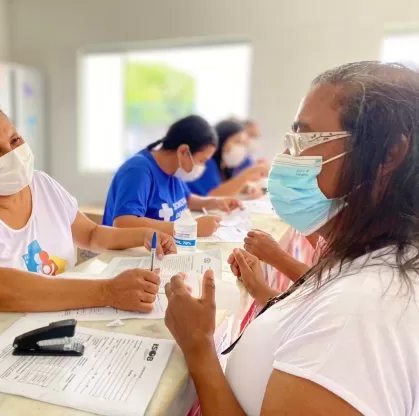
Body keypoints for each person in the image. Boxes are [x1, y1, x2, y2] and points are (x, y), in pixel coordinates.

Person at [165, 62, 419, 415]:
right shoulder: (375, 258)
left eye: (305, 140)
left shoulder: (361, 313)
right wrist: (268, 295)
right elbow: (308, 329)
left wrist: (198, 347)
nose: (286, 158)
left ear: (389, 154)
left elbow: (333, 334)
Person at [0, 101, 177, 329]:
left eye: (14, 140)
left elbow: (90, 234)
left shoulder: (42, 184)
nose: (12, 155)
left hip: (50, 326)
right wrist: (107, 291)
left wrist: (143, 235)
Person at [102, 115, 242, 237]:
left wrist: (217, 202)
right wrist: (189, 228)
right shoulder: (138, 171)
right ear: (183, 151)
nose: (202, 167)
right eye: (201, 160)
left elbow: (187, 200)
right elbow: (124, 222)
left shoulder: (174, 170)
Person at [186, 119, 269, 197]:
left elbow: (229, 186)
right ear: (221, 140)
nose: (241, 148)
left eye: (244, 144)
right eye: (237, 142)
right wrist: (247, 174)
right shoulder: (207, 163)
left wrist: (248, 187)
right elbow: (214, 195)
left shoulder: (226, 167)